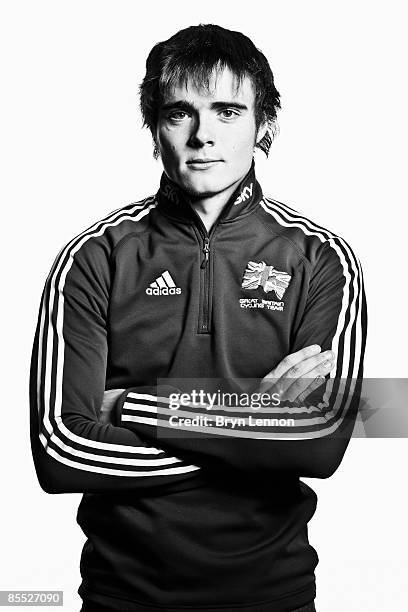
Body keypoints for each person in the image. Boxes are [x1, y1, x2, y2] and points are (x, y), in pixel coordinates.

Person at [29, 23, 367, 612]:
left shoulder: (321, 257)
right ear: (154, 129)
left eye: (229, 112)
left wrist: (139, 406)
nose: (203, 135)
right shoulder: (93, 256)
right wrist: (253, 431)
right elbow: (59, 451)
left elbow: (321, 442)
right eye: (180, 113)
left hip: (272, 595)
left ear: (266, 127)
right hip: (122, 596)